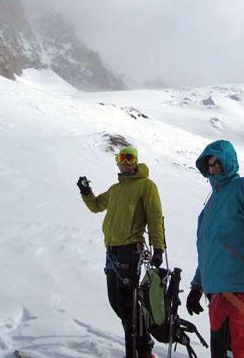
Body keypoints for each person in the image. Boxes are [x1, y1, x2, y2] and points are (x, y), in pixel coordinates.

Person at [185, 139, 244, 358]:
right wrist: (198, 285)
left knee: (231, 349)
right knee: (221, 349)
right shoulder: (212, 201)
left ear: (230, 161)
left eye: (218, 161)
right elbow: (209, 249)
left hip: (239, 284)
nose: (214, 167)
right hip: (217, 289)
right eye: (210, 163)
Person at [76, 146, 165, 358]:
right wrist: (85, 191)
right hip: (112, 251)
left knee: (127, 306)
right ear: (117, 162)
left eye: (129, 158)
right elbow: (96, 206)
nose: (125, 162)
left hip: (129, 250)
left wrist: (158, 247)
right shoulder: (115, 189)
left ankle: (139, 351)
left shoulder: (146, 186)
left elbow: (154, 217)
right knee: (117, 303)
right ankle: (143, 348)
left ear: (135, 162)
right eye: (121, 158)